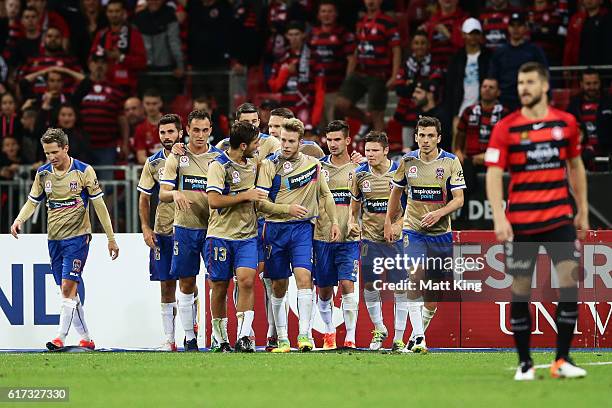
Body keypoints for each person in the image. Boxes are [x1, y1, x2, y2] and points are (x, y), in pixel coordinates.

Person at [485, 62, 588, 380]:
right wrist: (499, 216)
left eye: (530, 82)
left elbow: (576, 166)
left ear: (544, 86)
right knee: (519, 289)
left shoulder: (565, 123)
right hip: (522, 223)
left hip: (559, 217)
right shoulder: (506, 127)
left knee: (569, 285)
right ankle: (525, 364)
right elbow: (492, 173)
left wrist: (582, 209)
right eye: (520, 82)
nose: (524, 88)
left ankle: (562, 360)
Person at [10, 128, 119, 350]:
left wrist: (111, 238)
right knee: (67, 291)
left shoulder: (83, 171)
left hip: (78, 238)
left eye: (54, 152)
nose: (51, 157)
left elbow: (99, 206)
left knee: (68, 287)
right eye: (47, 153)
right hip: (54, 239)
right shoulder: (43, 174)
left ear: (65, 148)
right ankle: (87, 339)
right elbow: (33, 201)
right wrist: (19, 220)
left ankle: (59, 337)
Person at [256, 118, 340, 352]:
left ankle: (305, 335)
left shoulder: (313, 164)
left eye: (291, 141)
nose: (285, 145)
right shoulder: (269, 165)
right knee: (278, 284)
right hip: (274, 229)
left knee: (304, 278)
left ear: (300, 142)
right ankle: (282, 337)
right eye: (282, 140)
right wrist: (287, 209)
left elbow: (325, 195)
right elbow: (260, 205)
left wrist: (333, 221)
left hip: (302, 229)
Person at [386, 116, 465, 354]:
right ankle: (420, 337)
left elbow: (459, 200)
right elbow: (396, 193)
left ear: (439, 138)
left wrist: (439, 213)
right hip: (413, 230)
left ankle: (415, 334)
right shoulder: (407, 161)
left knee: (432, 295)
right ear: (416, 137)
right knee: (415, 276)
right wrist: (390, 221)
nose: (426, 140)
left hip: (441, 233)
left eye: (431, 135)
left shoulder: (451, 162)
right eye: (422, 135)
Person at [159, 110, 223, 352]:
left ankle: (219, 336)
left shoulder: (219, 157)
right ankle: (189, 337)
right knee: (186, 282)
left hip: (214, 229)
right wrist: (174, 192)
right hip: (185, 227)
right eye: (196, 130)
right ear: (187, 130)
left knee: (218, 282)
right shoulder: (177, 156)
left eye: (205, 130)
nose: (200, 135)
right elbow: (163, 192)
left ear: (210, 130)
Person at [206, 121, 264, 352]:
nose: (258, 147)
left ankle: (243, 336)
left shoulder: (253, 163)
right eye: (255, 143)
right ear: (242, 145)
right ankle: (220, 338)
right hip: (220, 235)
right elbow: (214, 201)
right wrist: (245, 195)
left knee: (247, 280)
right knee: (219, 286)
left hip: (247, 235)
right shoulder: (218, 166)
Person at [348, 131, 406, 351]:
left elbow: (410, 208)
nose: (370, 154)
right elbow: (354, 211)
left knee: (400, 286)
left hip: (396, 241)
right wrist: (353, 224)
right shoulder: (359, 175)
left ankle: (399, 337)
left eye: (374, 150)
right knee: (370, 285)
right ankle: (379, 328)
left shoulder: (399, 173)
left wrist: (397, 225)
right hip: (370, 240)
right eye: (367, 150)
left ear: (385, 151)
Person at [137, 113, 183, 352]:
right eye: (163, 132)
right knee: (166, 284)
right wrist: (145, 227)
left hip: (189, 228)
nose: (167, 137)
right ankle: (169, 339)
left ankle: (190, 331)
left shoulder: (192, 158)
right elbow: (144, 197)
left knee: (187, 281)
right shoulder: (153, 163)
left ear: (180, 133)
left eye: (171, 132)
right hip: (163, 229)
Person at [314, 120, 359, 349]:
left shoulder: (358, 169)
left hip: (349, 239)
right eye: (329, 140)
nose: (332, 144)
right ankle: (329, 332)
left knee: (347, 284)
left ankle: (350, 336)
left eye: (337, 139)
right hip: (322, 236)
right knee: (324, 289)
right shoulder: (318, 168)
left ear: (347, 140)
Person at [334, 0, 401, 136]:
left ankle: (380, 153)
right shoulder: (361, 22)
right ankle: (366, 119)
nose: (371, 2)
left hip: (378, 74)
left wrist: (394, 76)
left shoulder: (387, 22)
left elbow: (396, 49)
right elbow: (356, 50)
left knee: (378, 114)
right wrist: (350, 74)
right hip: (360, 71)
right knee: (341, 104)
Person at [72, 49, 128, 166]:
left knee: (107, 183)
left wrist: (125, 143)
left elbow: (122, 119)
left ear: (107, 66)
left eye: (103, 62)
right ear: (89, 64)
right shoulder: (80, 87)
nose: (99, 65)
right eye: (96, 62)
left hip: (107, 147)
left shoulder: (116, 89)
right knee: (83, 182)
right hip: (83, 146)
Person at [268, 20, 325, 128]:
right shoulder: (281, 57)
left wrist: (315, 119)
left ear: (303, 35)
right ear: (286, 36)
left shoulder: (313, 57)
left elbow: (320, 89)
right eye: (291, 35)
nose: (294, 38)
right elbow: (274, 87)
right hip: (285, 111)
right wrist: (285, 72)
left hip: (307, 111)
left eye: (297, 34)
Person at [309, 0, 356, 130]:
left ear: (336, 14)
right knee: (319, 128)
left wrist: (347, 84)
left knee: (335, 129)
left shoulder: (343, 33)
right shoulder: (313, 34)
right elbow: (308, 59)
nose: (326, 14)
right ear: (318, 15)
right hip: (317, 89)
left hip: (336, 88)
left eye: (330, 11)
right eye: (323, 11)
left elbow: (352, 59)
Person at [393, 31, 442, 151]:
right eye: (416, 43)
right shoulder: (406, 65)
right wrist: (423, 84)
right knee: (408, 152)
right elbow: (400, 89)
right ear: (412, 46)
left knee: (429, 151)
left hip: (430, 114)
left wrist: (410, 83)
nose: (419, 46)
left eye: (423, 43)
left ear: (428, 45)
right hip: (408, 115)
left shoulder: (435, 64)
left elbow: (434, 86)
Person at [489, 12, 548, 110]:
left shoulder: (534, 50)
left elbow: (544, 74)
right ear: (508, 28)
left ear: (525, 28)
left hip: (529, 98)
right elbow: (492, 77)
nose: (515, 29)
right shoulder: (499, 52)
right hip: (504, 101)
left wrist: (547, 97)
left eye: (519, 25)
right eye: (512, 25)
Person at [90, 0, 147, 93]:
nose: (114, 15)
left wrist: (121, 57)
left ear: (123, 12)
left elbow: (142, 62)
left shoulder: (133, 34)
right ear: (106, 13)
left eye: (117, 11)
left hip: (126, 87)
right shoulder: (101, 34)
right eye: (111, 11)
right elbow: (91, 58)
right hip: (104, 84)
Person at [453, 78, 508, 173]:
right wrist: (458, 151)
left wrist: (488, 156)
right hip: (470, 161)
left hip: (495, 160)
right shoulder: (469, 111)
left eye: (491, 87)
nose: (487, 89)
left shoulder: (504, 114)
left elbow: (508, 142)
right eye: (484, 86)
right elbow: (460, 135)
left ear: (498, 92)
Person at [446, 18, 492, 121]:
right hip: (460, 109)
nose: (473, 37)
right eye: (470, 33)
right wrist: (452, 112)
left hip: (483, 109)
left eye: (476, 33)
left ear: (480, 35)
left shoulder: (489, 57)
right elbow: (450, 87)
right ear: (463, 35)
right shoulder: (456, 58)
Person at [567, 69, 612, 167]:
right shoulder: (574, 104)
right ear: (581, 84)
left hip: (606, 154)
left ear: (600, 83)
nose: (592, 87)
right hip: (582, 155)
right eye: (588, 84)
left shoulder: (609, 102)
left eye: (595, 83)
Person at [563, 0, 612, 67]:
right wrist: (567, 64)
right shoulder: (576, 18)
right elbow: (570, 44)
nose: (588, 0)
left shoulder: (607, 18)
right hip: (580, 66)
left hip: (603, 66)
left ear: (601, 1)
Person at [134, 89, 164, 164]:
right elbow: (141, 158)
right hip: (151, 170)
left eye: (154, 104)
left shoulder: (172, 123)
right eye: (147, 104)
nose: (151, 107)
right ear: (143, 105)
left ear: (160, 104)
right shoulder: (140, 128)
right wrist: (158, 163)